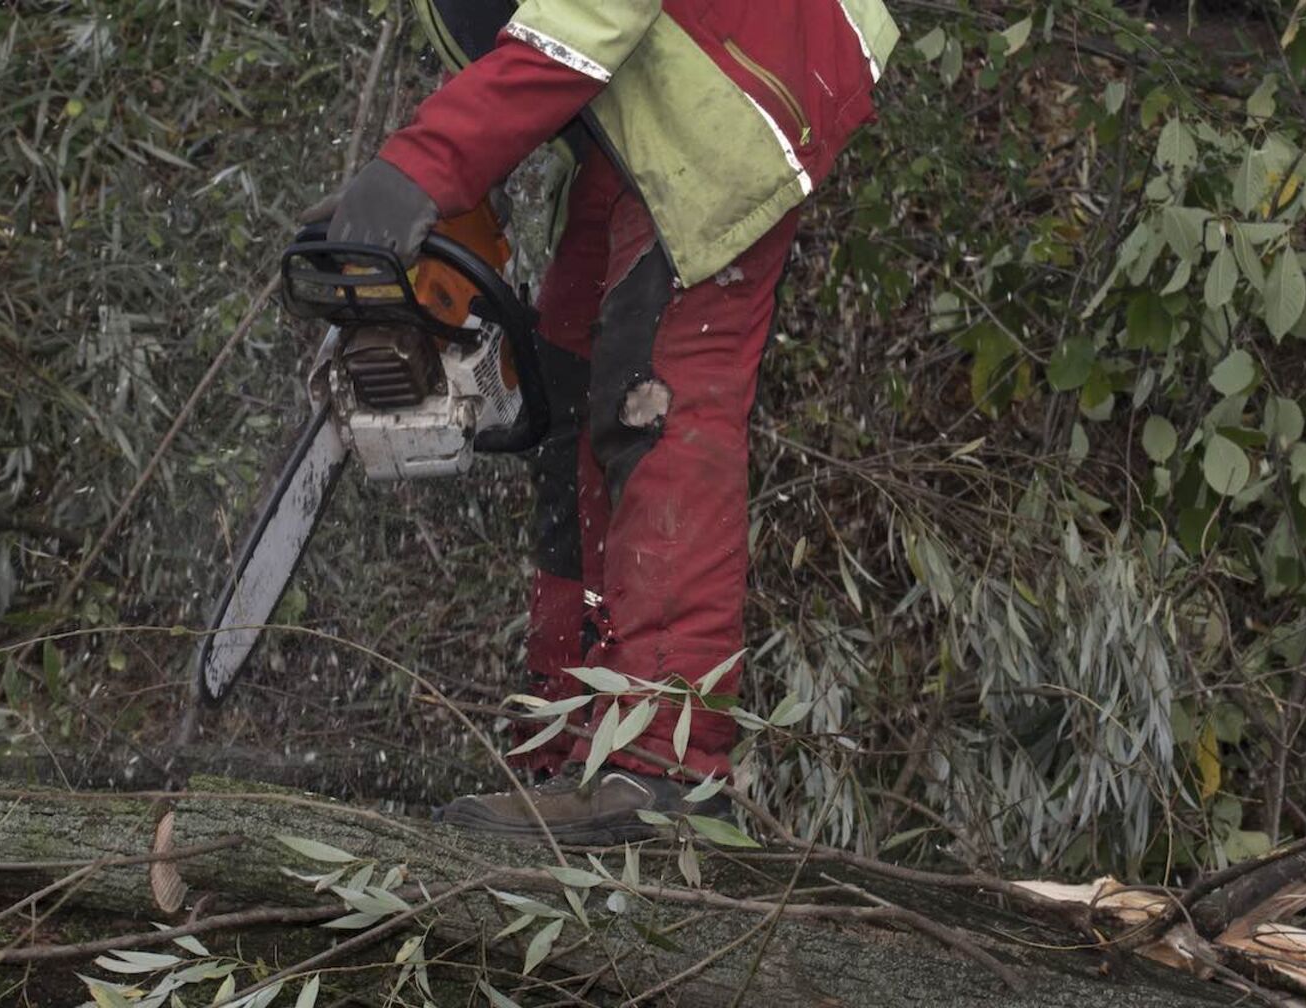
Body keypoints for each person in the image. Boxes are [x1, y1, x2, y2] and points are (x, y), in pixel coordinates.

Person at [313, 1, 899, 844]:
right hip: (648, 100)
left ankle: (663, 763)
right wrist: (431, 192)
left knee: (655, 391)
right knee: (567, 372)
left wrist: (427, 163)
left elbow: (592, 13)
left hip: (739, 70)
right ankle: (572, 737)